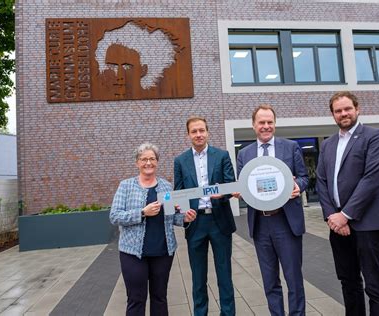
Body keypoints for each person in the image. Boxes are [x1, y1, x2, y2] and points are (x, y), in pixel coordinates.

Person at [316, 91, 379, 316]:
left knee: (375, 285)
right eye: (338, 111)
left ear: (357, 109)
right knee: (348, 282)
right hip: (338, 227)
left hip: (368, 224)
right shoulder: (328, 144)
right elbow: (321, 181)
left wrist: (346, 214)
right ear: (333, 115)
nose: (343, 113)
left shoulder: (375, 136)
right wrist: (333, 216)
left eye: (347, 109)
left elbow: (372, 179)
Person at [236, 104, 308, 316]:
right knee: (269, 281)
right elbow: (243, 185)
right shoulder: (244, 154)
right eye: (262, 122)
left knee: (294, 279)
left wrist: (298, 187)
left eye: (270, 122)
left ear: (275, 124)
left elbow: (304, 177)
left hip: (286, 222)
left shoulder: (291, 147)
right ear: (253, 125)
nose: (266, 126)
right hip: (261, 224)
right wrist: (241, 192)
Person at [110, 143, 197, 316]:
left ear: (157, 162)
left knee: (160, 297)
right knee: (136, 298)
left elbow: (172, 217)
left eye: (152, 159)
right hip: (133, 253)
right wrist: (142, 212)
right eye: (144, 159)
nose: (148, 162)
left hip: (163, 252)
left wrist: (185, 219)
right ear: (137, 163)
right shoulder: (126, 186)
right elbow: (115, 216)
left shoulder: (165, 186)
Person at [174, 116, 237, 316]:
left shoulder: (222, 155)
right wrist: (183, 210)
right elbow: (179, 191)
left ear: (207, 132)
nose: (199, 134)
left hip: (220, 221)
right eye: (194, 131)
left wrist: (223, 192)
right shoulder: (180, 161)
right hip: (195, 222)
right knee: (198, 276)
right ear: (188, 135)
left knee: (224, 274)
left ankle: (228, 313)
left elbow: (231, 185)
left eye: (202, 130)